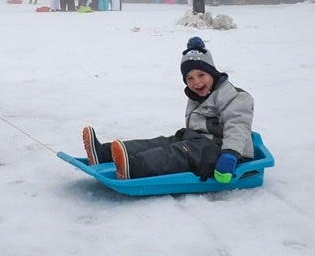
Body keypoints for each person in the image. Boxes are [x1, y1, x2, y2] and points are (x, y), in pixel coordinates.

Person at [81, 36, 255, 181]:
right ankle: (105, 153)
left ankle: (133, 167)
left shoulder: (234, 96)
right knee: (163, 142)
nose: (196, 82)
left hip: (222, 153)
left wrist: (230, 155)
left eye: (202, 75)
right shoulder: (199, 96)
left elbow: (238, 126)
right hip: (198, 142)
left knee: (176, 153)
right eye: (190, 78)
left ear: (213, 73)